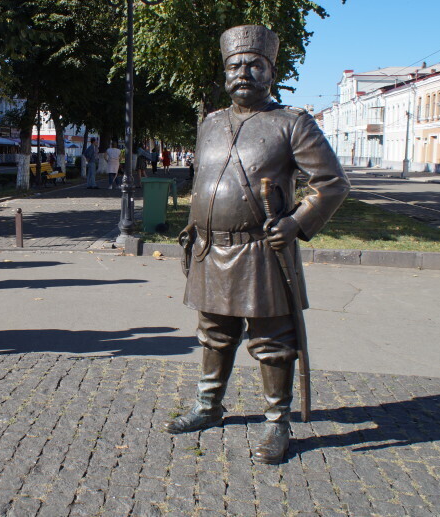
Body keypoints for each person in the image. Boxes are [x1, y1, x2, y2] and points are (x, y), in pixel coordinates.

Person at [163, 25, 350, 465]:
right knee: (214, 333)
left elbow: (332, 183)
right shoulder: (210, 123)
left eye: (254, 65)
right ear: (225, 73)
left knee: (272, 341)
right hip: (210, 249)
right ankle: (208, 406)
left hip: (261, 251)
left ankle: (277, 422)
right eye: (234, 66)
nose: (243, 73)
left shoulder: (292, 123)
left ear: (271, 71)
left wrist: (297, 222)